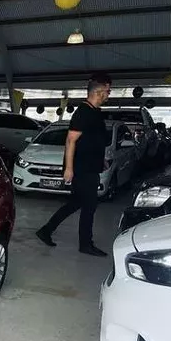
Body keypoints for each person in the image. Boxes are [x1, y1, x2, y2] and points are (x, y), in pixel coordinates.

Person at [36, 74, 112, 257]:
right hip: (82, 169)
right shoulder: (83, 112)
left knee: (76, 203)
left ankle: (46, 230)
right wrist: (69, 169)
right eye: (108, 91)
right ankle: (85, 244)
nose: (109, 95)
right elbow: (71, 141)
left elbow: (93, 140)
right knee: (89, 206)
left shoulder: (95, 112)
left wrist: (100, 158)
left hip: (90, 165)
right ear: (99, 91)